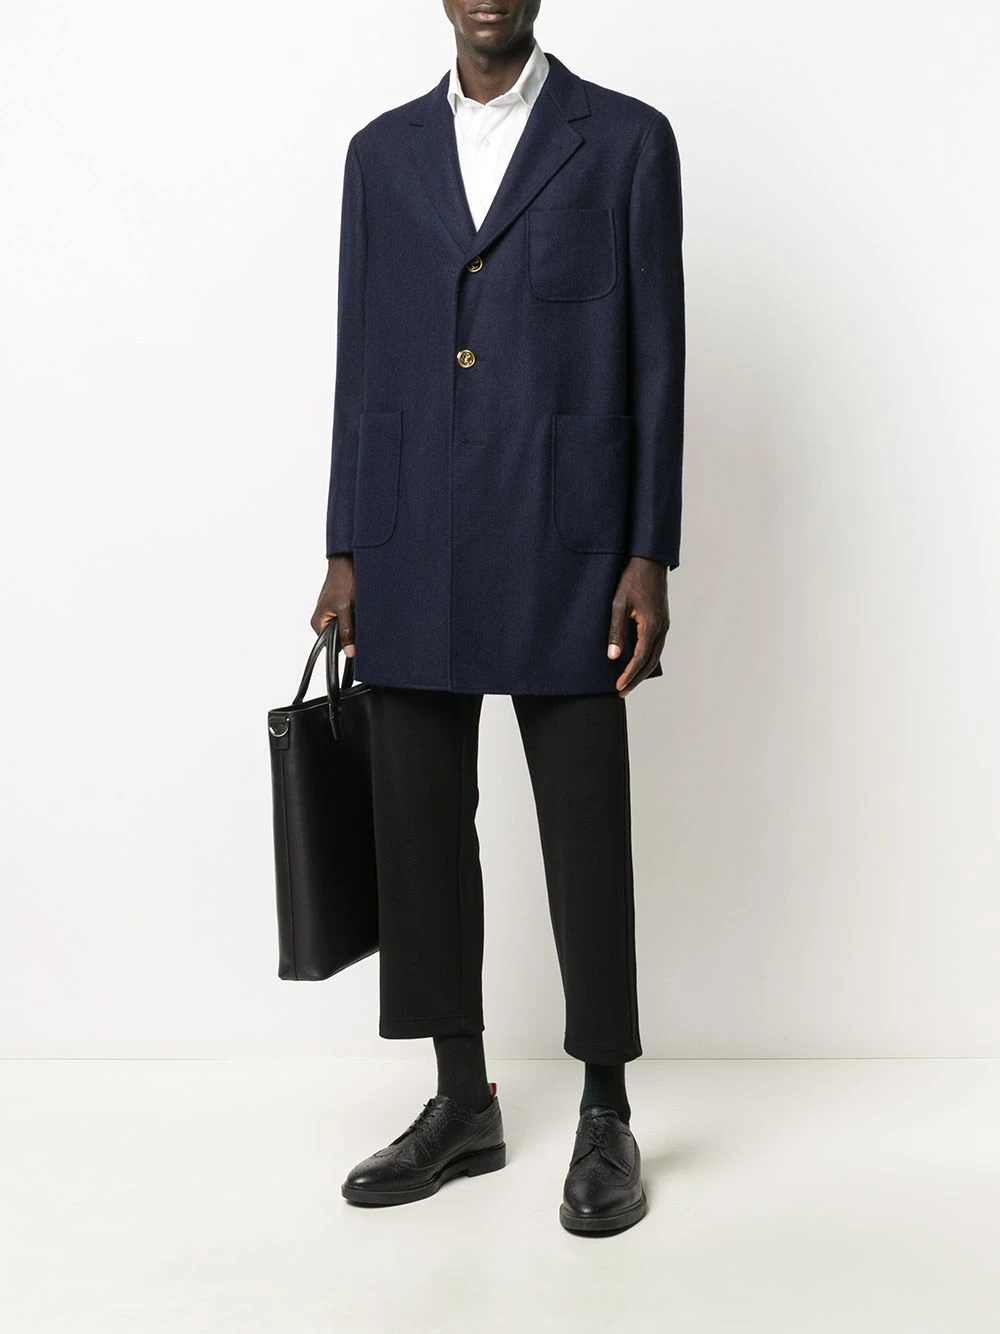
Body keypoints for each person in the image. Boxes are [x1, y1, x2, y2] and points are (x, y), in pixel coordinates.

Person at [311, 0, 684, 1235]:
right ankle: (460, 1099)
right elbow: (360, 356)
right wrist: (345, 542)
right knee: (417, 824)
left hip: (566, 533)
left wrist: (647, 550)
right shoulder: (381, 153)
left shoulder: (623, 140)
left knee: (586, 829)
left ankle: (605, 1110)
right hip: (410, 532)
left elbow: (657, 359)